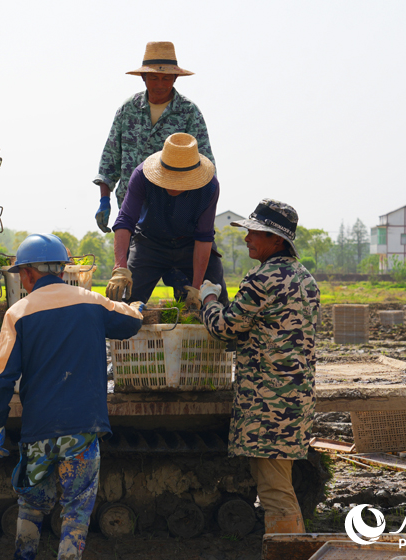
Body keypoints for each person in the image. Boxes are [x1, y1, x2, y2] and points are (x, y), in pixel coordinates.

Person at [0, 233, 143, 560]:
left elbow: (2, 376)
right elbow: (128, 324)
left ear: (28, 273)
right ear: (61, 269)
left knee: (30, 505)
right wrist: (136, 309)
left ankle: (24, 556)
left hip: (38, 434)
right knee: (76, 511)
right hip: (83, 431)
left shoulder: (19, 313)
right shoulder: (92, 301)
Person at [199, 199, 320, 534]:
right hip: (296, 397)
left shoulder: (263, 279)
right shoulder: (304, 278)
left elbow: (225, 328)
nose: (247, 238)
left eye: (255, 233)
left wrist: (208, 299)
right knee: (278, 484)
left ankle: (288, 549)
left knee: (274, 490)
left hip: (269, 404)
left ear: (277, 240)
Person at [94, 41, 215, 234]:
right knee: (129, 262)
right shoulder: (128, 110)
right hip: (130, 208)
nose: (160, 85)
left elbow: (205, 165)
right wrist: (104, 200)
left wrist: (202, 213)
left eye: (166, 78)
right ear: (143, 77)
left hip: (174, 211)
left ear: (175, 78)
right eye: (154, 78)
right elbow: (110, 160)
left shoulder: (188, 112)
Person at [105, 132, 228, 309]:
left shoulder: (209, 187)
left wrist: (196, 288)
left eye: (179, 180)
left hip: (191, 243)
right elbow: (125, 221)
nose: (173, 185)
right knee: (125, 301)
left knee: (216, 301)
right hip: (149, 243)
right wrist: (120, 268)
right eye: (169, 178)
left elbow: (204, 236)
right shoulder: (141, 175)